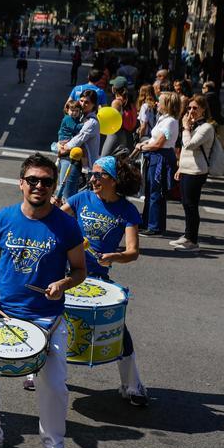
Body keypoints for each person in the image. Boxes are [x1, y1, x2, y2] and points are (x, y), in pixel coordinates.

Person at [0, 154, 87, 448]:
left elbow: (79, 270)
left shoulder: (67, 225)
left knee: (55, 385)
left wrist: (63, 282)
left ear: (53, 186)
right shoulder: (5, 218)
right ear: (21, 183)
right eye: (32, 180)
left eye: (46, 181)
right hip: (2, 314)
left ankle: (55, 447)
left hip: (47, 318)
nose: (39, 186)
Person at [59, 154, 148, 406]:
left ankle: (133, 386)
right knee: (52, 320)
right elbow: (54, 220)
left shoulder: (127, 211)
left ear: (114, 180)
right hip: (67, 272)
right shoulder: (80, 199)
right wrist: (52, 209)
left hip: (97, 278)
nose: (93, 178)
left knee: (118, 329)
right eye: (93, 174)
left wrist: (114, 257)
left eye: (100, 175)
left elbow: (133, 252)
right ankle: (39, 374)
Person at [171, 95, 217, 251]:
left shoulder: (206, 128)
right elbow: (185, 151)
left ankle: (193, 241)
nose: (191, 111)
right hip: (186, 169)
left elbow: (189, 145)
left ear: (203, 109)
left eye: (195, 108)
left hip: (197, 172)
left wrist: (185, 128)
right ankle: (187, 235)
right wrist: (180, 167)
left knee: (191, 205)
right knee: (185, 204)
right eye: (189, 108)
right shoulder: (193, 126)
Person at [136, 91, 181, 236]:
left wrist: (142, 146)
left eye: (159, 101)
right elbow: (155, 140)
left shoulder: (170, 122)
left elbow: (159, 144)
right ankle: (148, 222)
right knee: (150, 191)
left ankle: (154, 227)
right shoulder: (163, 119)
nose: (156, 103)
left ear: (167, 104)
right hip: (156, 156)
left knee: (156, 192)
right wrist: (146, 144)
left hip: (161, 157)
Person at [57, 90, 100, 202]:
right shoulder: (79, 116)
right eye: (81, 100)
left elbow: (79, 138)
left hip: (76, 162)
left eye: (87, 102)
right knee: (65, 195)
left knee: (68, 197)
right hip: (70, 158)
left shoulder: (91, 122)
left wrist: (64, 148)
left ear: (94, 105)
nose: (82, 104)